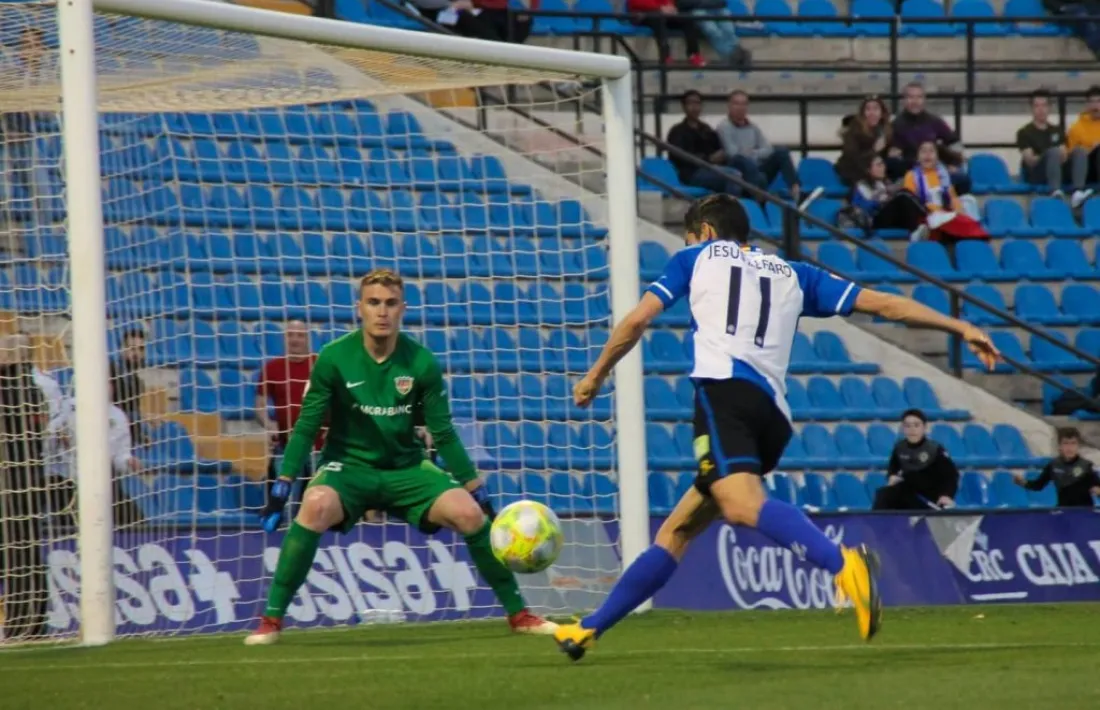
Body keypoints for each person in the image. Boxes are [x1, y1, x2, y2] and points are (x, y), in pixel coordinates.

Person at [550, 194, 1001, 661]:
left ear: (704, 231)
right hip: (772, 417)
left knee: (742, 505)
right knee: (679, 530)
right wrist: (958, 326)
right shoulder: (794, 273)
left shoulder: (696, 256)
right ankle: (589, 628)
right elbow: (882, 304)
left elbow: (638, 320)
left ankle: (844, 564)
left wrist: (595, 375)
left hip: (726, 394)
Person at [245, 269, 555, 644]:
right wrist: (283, 485)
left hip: (407, 469)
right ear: (359, 308)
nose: (382, 312)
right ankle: (271, 621)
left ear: (402, 309)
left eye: (390, 304)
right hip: (348, 469)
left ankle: (520, 615)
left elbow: (442, 433)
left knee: (469, 515)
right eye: (373, 302)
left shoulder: (421, 362)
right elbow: (307, 427)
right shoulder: (332, 358)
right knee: (314, 503)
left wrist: (478, 489)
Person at [0, 334, 51, 640]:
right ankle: (29, 623)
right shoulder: (34, 388)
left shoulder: (22, 388)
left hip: (15, 484)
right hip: (27, 481)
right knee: (26, 554)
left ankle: (26, 623)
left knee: (20, 553)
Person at [255, 321, 323, 514]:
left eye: (300, 335)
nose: (295, 339)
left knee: (313, 505)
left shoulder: (320, 364)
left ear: (307, 339)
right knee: (280, 504)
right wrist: (269, 425)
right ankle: (276, 540)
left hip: (319, 447)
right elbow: (259, 405)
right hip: (286, 445)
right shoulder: (273, 368)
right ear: (284, 338)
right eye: (290, 335)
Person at [715, 90, 800, 201]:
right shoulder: (724, 127)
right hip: (738, 173)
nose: (740, 107)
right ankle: (762, 197)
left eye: (744, 104)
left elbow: (768, 148)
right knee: (742, 160)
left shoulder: (753, 127)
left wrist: (752, 153)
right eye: (736, 104)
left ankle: (795, 190)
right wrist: (753, 154)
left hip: (758, 169)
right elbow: (732, 153)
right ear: (729, 106)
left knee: (781, 151)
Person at [891, 82, 972, 196]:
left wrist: (954, 163)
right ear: (903, 100)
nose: (915, 101)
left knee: (963, 180)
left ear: (924, 100)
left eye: (919, 97)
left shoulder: (935, 121)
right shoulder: (896, 125)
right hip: (912, 174)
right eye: (910, 97)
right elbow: (894, 159)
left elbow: (955, 144)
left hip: (937, 171)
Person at [1017, 89, 1093, 207]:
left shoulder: (1057, 130)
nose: (1041, 109)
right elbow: (1030, 160)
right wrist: (1049, 155)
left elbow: (1064, 152)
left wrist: (1059, 155)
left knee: (1079, 151)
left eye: (1044, 105)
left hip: (1057, 167)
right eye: (1037, 106)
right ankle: (1055, 191)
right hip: (1038, 172)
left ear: (1049, 107)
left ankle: (1078, 191)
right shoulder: (1024, 132)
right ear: (1031, 108)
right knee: (1053, 152)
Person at [872, 409, 959, 511]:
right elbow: (893, 469)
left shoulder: (935, 449)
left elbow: (951, 475)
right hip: (909, 493)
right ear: (903, 428)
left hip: (930, 498)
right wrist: (892, 477)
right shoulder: (900, 448)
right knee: (884, 494)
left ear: (924, 427)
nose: (912, 429)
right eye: (907, 426)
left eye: (916, 425)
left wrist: (946, 495)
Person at [902, 141, 988, 243]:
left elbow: (952, 197)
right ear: (918, 157)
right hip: (924, 214)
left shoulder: (943, 175)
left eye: (931, 151)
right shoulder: (911, 175)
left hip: (944, 212)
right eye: (923, 151)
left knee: (967, 214)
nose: (927, 154)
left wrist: (958, 210)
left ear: (937, 157)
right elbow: (910, 202)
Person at [666, 90, 741, 196]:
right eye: (690, 103)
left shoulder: (706, 129)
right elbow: (682, 158)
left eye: (697, 103)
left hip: (712, 169)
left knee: (739, 166)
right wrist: (708, 159)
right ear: (683, 107)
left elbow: (718, 149)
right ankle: (730, 210)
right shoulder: (677, 131)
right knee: (733, 176)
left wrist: (721, 155)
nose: (694, 107)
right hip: (691, 174)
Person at [1014, 427, 1100, 508]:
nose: (1070, 448)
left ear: (1078, 446)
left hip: (1083, 512)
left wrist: (1098, 491)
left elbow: (1098, 488)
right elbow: (1038, 485)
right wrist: (1023, 482)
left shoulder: (1086, 466)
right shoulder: (1053, 465)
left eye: (1073, 443)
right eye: (1066, 443)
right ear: (1059, 446)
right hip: (1063, 510)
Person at [846, 155, 926, 234]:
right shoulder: (861, 186)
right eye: (879, 165)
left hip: (891, 217)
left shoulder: (887, 183)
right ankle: (924, 220)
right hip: (875, 220)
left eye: (883, 164)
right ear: (868, 169)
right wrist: (878, 202)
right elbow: (857, 208)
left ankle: (919, 228)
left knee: (906, 193)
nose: (883, 167)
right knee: (903, 195)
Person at [835, 95, 905, 185]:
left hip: (877, 171)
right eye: (868, 109)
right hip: (854, 173)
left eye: (876, 109)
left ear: (882, 113)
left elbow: (885, 155)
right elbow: (853, 159)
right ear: (863, 113)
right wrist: (874, 150)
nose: (872, 113)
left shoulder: (885, 130)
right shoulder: (854, 131)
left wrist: (893, 151)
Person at [628, 0, 706, 67]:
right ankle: (665, 56)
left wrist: (670, 7)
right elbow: (636, 3)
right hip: (642, 14)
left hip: (662, 12)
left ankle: (694, 54)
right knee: (658, 19)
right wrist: (659, 8)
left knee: (687, 19)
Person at [675, 0, 751, 68]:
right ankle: (734, 55)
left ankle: (736, 54)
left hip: (717, 7)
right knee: (713, 31)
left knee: (729, 30)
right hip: (697, 8)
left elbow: (722, 2)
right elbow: (681, 3)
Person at [109, 326, 146, 446]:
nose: (137, 354)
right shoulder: (110, 372)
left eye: (141, 349)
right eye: (132, 349)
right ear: (122, 349)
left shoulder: (137, 382)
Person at [1065, 85, 1100, 187]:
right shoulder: (1076, 128)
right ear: (1087, 104)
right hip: (1086, 169)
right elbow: (1071, 155)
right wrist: (1090, 150)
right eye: (1092, 102)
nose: (1095, 106)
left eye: (1098, 101)